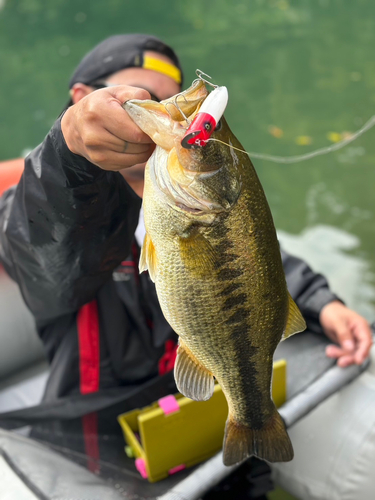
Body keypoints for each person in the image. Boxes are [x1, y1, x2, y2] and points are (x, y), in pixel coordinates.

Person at [0, 34, 372, 402]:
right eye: (142, 95)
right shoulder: (39, 203)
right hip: (87, 435)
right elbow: (45, 261)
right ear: (83, 99)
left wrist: (323, 301)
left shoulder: (180, 198)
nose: (165, 107)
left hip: (192, 414)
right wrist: (70, 151)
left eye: (171, 98)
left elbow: (250, 259)